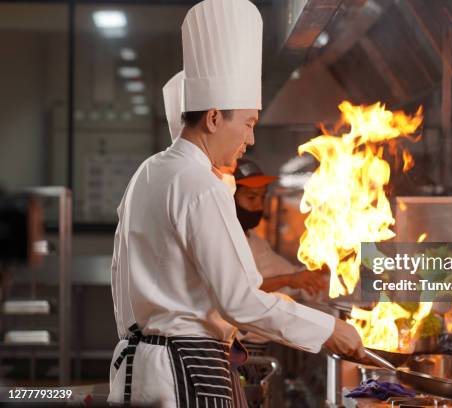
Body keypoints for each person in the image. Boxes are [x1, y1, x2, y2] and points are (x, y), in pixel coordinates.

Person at [109, 1, 365, 407]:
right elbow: (239, 301)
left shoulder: (150, 172)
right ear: (214, 118)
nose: (250, 140)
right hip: (185, 369)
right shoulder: (199, 185)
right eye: (248, 123)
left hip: (140, 365)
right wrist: (327, 329)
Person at [233, 158, 326, 297]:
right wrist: (288, 280)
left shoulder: (254, 239)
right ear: (229, 196)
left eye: (262, 197)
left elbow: (290, 273)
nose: (259, 206)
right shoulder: (225, 241)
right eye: (251, 197)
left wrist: (324, 269)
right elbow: (239, 292)